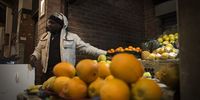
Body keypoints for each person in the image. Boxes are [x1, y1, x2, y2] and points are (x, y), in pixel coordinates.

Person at [29, 12, 107, 83]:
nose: (49, 24)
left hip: (65, 74)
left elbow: (86, 48)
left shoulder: (72, 37)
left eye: (52, 23)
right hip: (47, 74)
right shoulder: (44, 37)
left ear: (61, 25)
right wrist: (34, 56)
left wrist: (106, 53)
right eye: (48, 22)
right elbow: (38, 50)